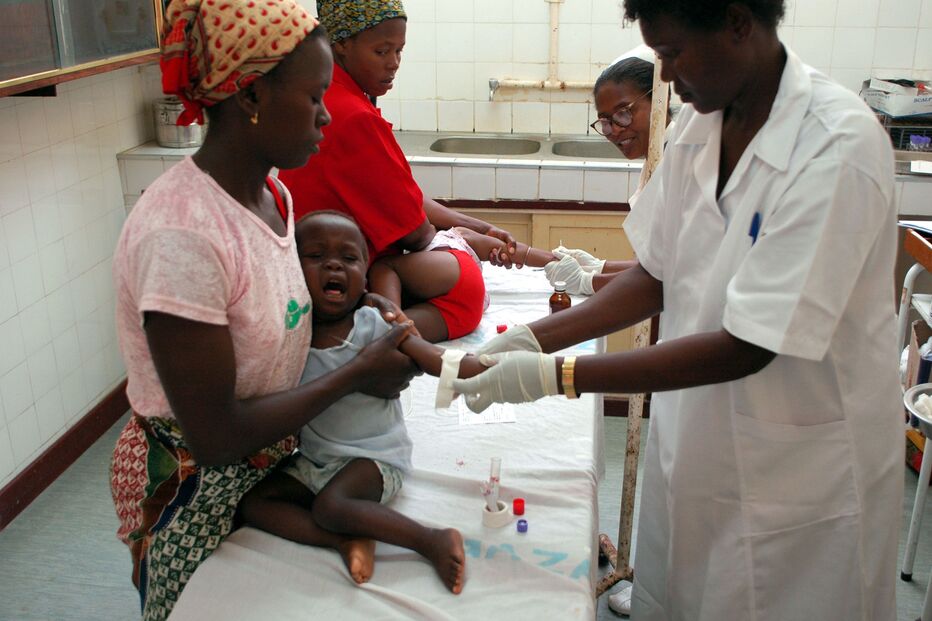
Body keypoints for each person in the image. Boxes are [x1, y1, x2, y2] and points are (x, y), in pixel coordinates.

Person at [452, 1, 902, 619]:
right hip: (698, 437)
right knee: (688, 592)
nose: (664, 77)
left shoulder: (835, 146)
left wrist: (556, 376)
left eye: (671, 53)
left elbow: (748, 344)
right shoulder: (701, 124)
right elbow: (656, 274)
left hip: (801, 467)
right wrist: (535, 338)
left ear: (738, 22)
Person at [109, 3, 418, 619]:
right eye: (313, 97)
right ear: (251, 96)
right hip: (196, 485)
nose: (327, 115)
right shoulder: (184, 235)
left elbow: (282, 316)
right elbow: (217, 434)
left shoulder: (273, 193)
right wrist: (357, 373)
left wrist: (369, 312)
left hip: (278, 458)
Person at [239, 211, 501, 593]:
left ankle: (430, 539)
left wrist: (489, 372)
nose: (333, 264)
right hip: (316, 459)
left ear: (365, 277)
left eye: (349, 258)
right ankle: (344, 540)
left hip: (374, 458)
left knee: (332, 507)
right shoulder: (293, 332)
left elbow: (431, 357)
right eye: (315, 256)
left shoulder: (374, 324)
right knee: (255, 505)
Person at [277, 0, 518, 343]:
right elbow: (417, 234)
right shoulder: (353, 117)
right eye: (381, 51)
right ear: (342, 44)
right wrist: (462, 246)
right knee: (465, 293)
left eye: (399, 51)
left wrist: (478, 227)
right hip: (341, 284)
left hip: (325, 275)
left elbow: (406, 198)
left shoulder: (331, 98)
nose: (393, 63)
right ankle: (375, 339)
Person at [544, 45, 674, 297]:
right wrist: (600, 266)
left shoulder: (676, 159)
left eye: (624, 113)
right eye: (605, 121)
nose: (614, 130)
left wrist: (588, 282)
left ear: (660, 100)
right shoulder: (657, 156)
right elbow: (656, 265)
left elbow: (668, 277)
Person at [369, 226, 560, 341]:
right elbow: (516, 251)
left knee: (383, 267)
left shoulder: (453, 235)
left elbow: (513, 250)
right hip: (465, 313)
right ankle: (385, 329)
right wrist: (556, 260)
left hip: (459, 274)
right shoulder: (457, 237)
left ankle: (387, 318)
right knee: (390, 335)